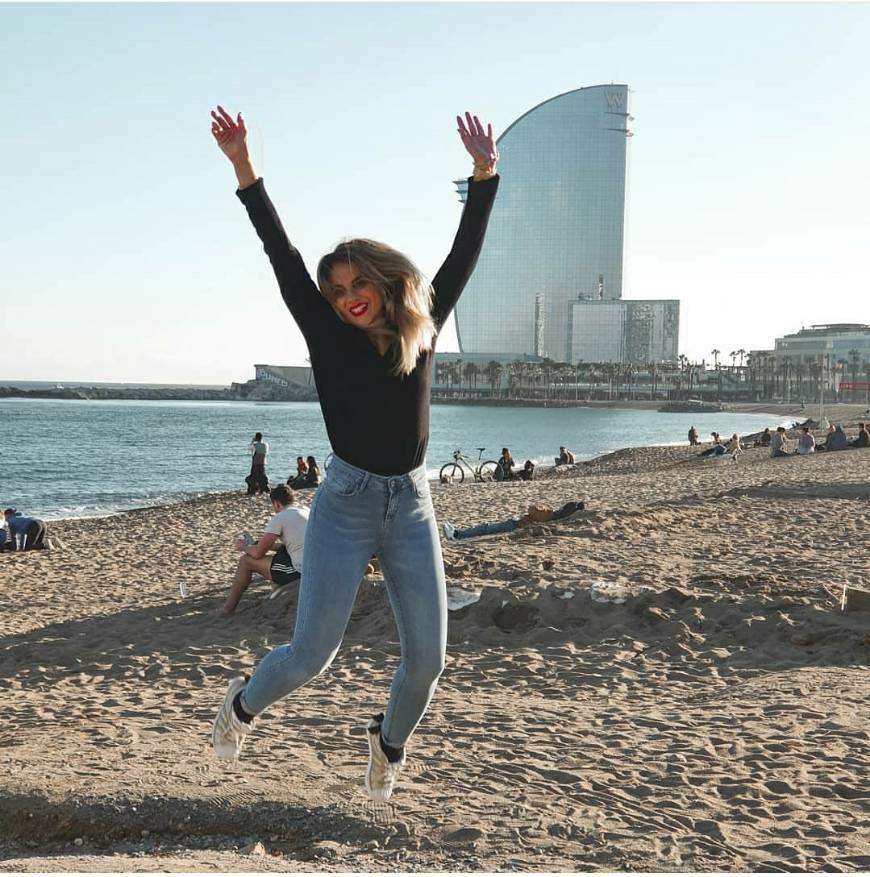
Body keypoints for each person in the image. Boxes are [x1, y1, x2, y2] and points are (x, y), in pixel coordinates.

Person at [209, 104, 499, 801]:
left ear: (380, 280)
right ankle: (242, 702)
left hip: (411, 503)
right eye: (336, 292)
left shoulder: (424, 323)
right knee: (313, 653)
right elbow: (280, 253)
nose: (347, 300)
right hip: (344, 502)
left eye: (356, 285)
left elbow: (463, 251)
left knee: (427, 660)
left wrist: (484, 174)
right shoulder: (326, 334)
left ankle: (387, 742)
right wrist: (245, 167)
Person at [222, 485, 309, 615]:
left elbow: (258, 554)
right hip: (316, 564)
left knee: (246, 561)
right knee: (280, 555)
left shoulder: (280, 517)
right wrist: (263, 544)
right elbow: (294, 545)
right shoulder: (305, 510)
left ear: (276, 503)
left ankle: (228, 609)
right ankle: (276, 595)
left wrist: (244, 547)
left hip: (301, 571)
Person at [442, 500, 586, 541]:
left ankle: (456, 535)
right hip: (517, 524)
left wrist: (542, 507)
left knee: (486, 528)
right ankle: (458, 533)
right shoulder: (552, 516)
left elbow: (531, 509)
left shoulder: (549, 515)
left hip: (515, 525)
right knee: (486, 527)